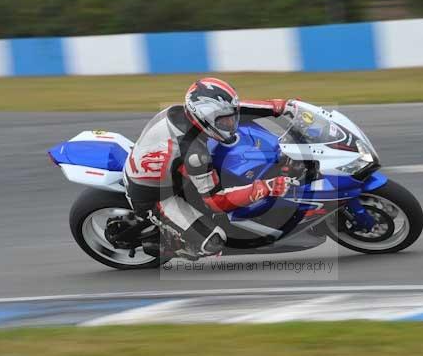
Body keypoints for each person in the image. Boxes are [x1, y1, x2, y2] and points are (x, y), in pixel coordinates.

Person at [124, 77, 295, 258]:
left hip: (166, 169)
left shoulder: (190, 115)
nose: (232, 124)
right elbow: (216, 202)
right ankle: (175, 244)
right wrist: (265, 187)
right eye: (225, 122)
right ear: (205, 119)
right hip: (154, 195)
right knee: (213, 242)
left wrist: (281, 107)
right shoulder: (195, 154)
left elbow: (238, 107)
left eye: (232, 118)